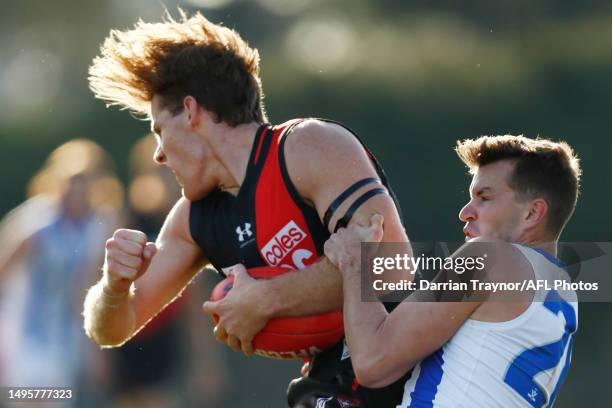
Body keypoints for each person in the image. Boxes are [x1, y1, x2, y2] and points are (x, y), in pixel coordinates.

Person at [82, 10, 411, 407]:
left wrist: (266, 297)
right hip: (336, 380)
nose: (157, 155)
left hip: (414, 357)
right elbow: (112, 330)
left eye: (157, 131)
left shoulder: (306, 147)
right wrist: (114, 286)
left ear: (190, 112)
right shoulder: (193, 219)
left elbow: (393, 267)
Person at [324, 135, 581, 407]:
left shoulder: (490, 257)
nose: (465, 212)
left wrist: (353, 263)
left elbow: (372, 362)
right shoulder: (564, 294)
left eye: (484, 197)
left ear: (531, 213)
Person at [0, 139, 123, 406]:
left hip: (64, 339)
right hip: (24, 332)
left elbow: (89, 286)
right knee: (25, 400)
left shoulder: (98, 227)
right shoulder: (36, 219)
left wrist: (94, 349)